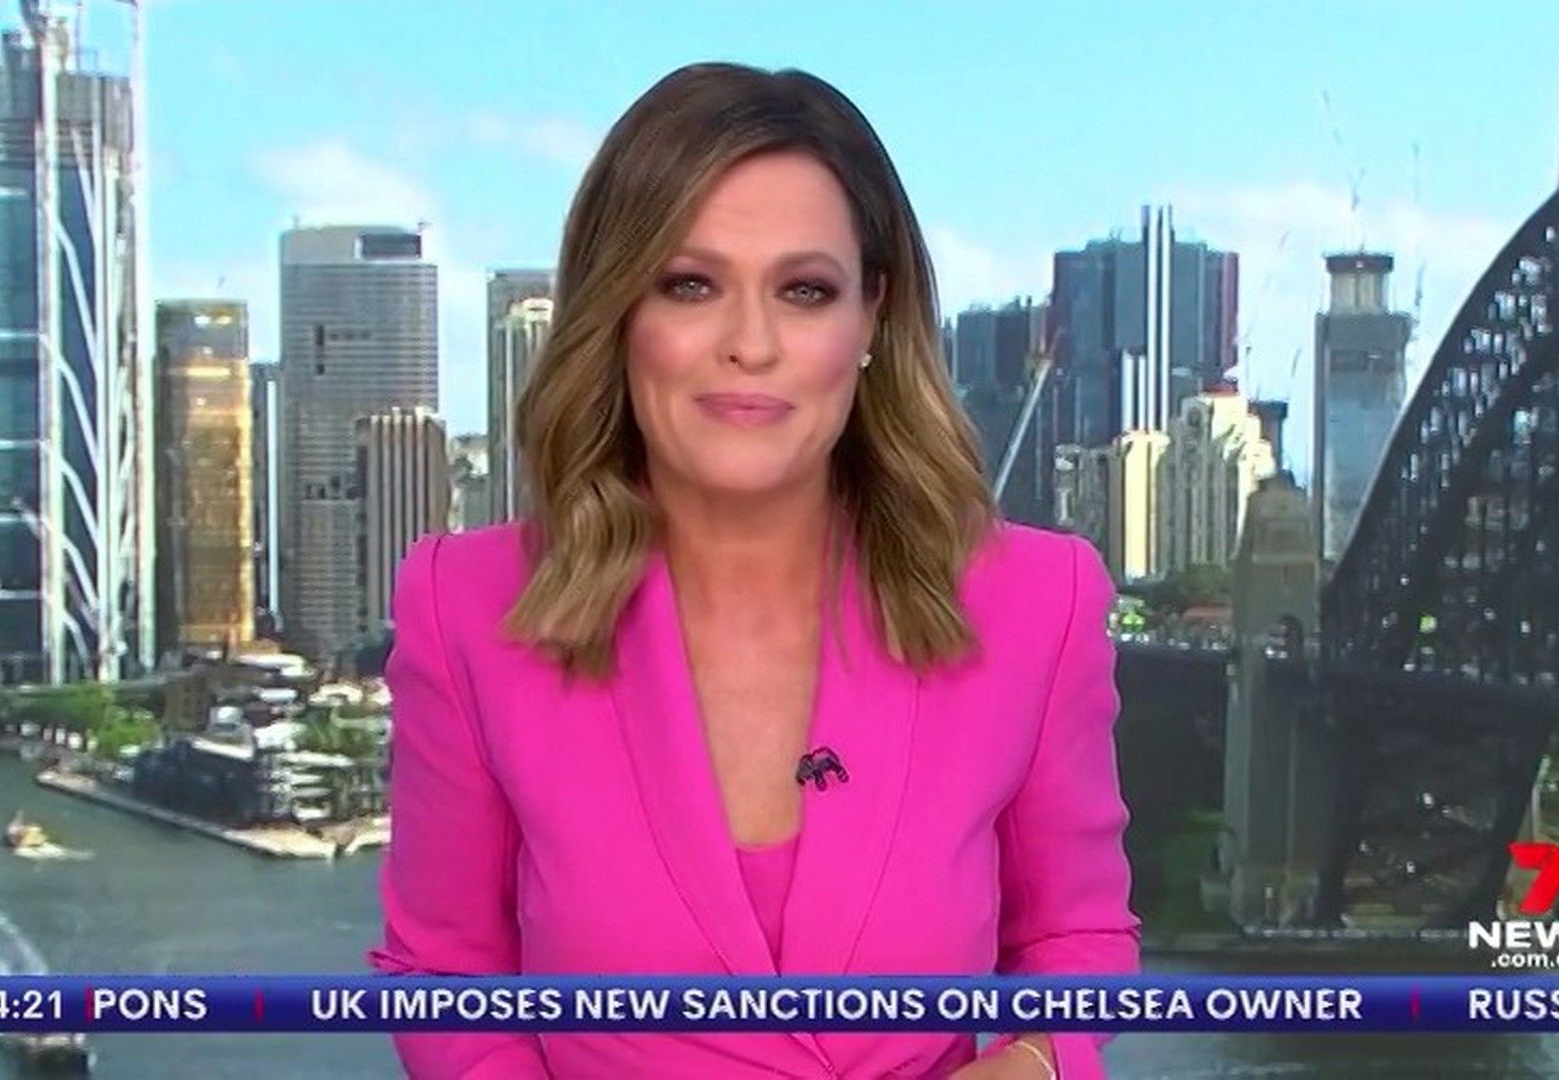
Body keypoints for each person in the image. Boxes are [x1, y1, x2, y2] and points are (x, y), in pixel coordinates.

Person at [371, 61, 1139, 1079]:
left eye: (804, 291)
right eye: (690, 285)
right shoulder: (466, 609)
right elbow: (444, 980)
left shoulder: (1036, 604)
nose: (750, 344)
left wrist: (1034, 1065)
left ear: (871, 317)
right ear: (618, 313)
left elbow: (1077, 942)